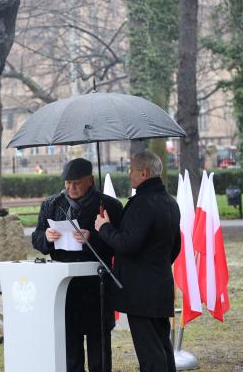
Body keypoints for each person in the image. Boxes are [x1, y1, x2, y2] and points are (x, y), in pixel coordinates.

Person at [32, 158, 123, 372]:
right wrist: (46, 237)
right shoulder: (52, 204)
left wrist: (94, 238)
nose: (71, 187)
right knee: (69, 348)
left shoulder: (108, 205)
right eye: (67, 182)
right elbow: (36, 239)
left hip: (96, 286)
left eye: (77, 182)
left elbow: (119, 245)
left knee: (99, 348)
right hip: (65, 286)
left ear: (90, 180)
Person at [94, 150, 181, 372]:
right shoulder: (170, 202)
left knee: (150, 354)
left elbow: (127, 243)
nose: (128, 174)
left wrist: (104, 227)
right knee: (162, 347)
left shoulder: (142, 203)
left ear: (143, 173)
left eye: (131, 170)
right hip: (160, 284)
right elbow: (175, 246)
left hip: (141, 292)